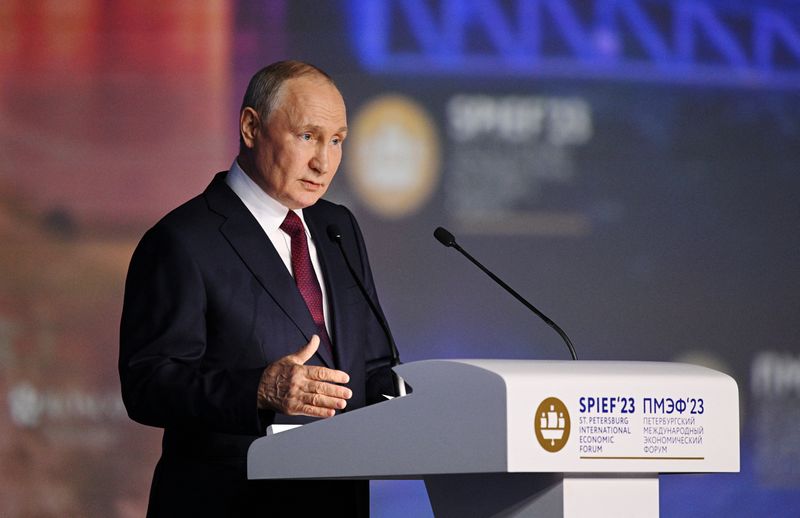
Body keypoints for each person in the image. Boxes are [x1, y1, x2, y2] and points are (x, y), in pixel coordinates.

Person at [119, 61, 398, 517]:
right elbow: (148, 385)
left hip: (336, 501)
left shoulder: (337, 227)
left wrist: (424, 396)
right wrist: (259, 390)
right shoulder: (182, 240)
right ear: (251, 127)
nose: (322, 161)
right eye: (307, 136)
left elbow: (371, 362)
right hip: (229, 503)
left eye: (336, 141)